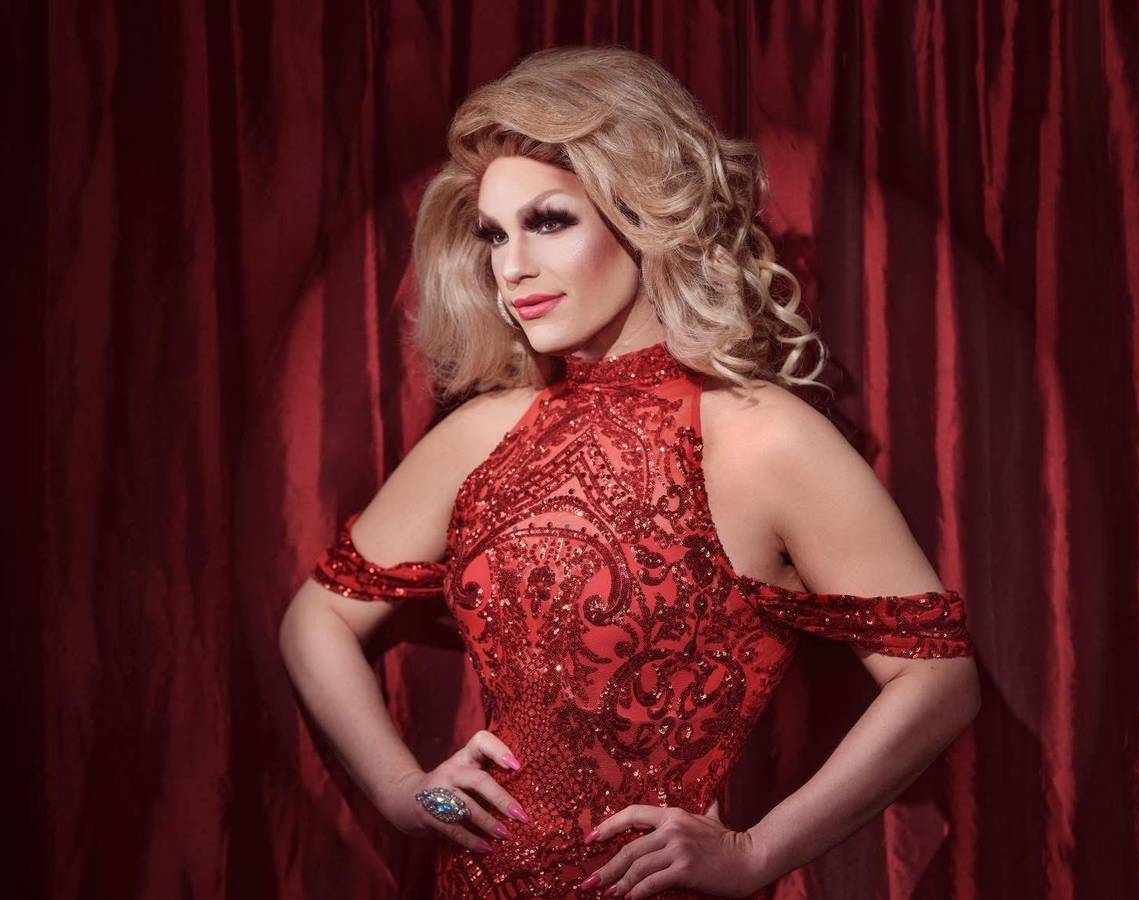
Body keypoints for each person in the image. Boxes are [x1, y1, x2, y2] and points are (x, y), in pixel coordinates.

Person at [278, 45, 980, 900]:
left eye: (548, 221)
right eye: (493, 234)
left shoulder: (763, 438)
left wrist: (755, 852)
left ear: (642, 215)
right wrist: (404, 792)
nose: (510, 266)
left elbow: (939, 681)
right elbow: (316, 618)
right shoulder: (483, 434)